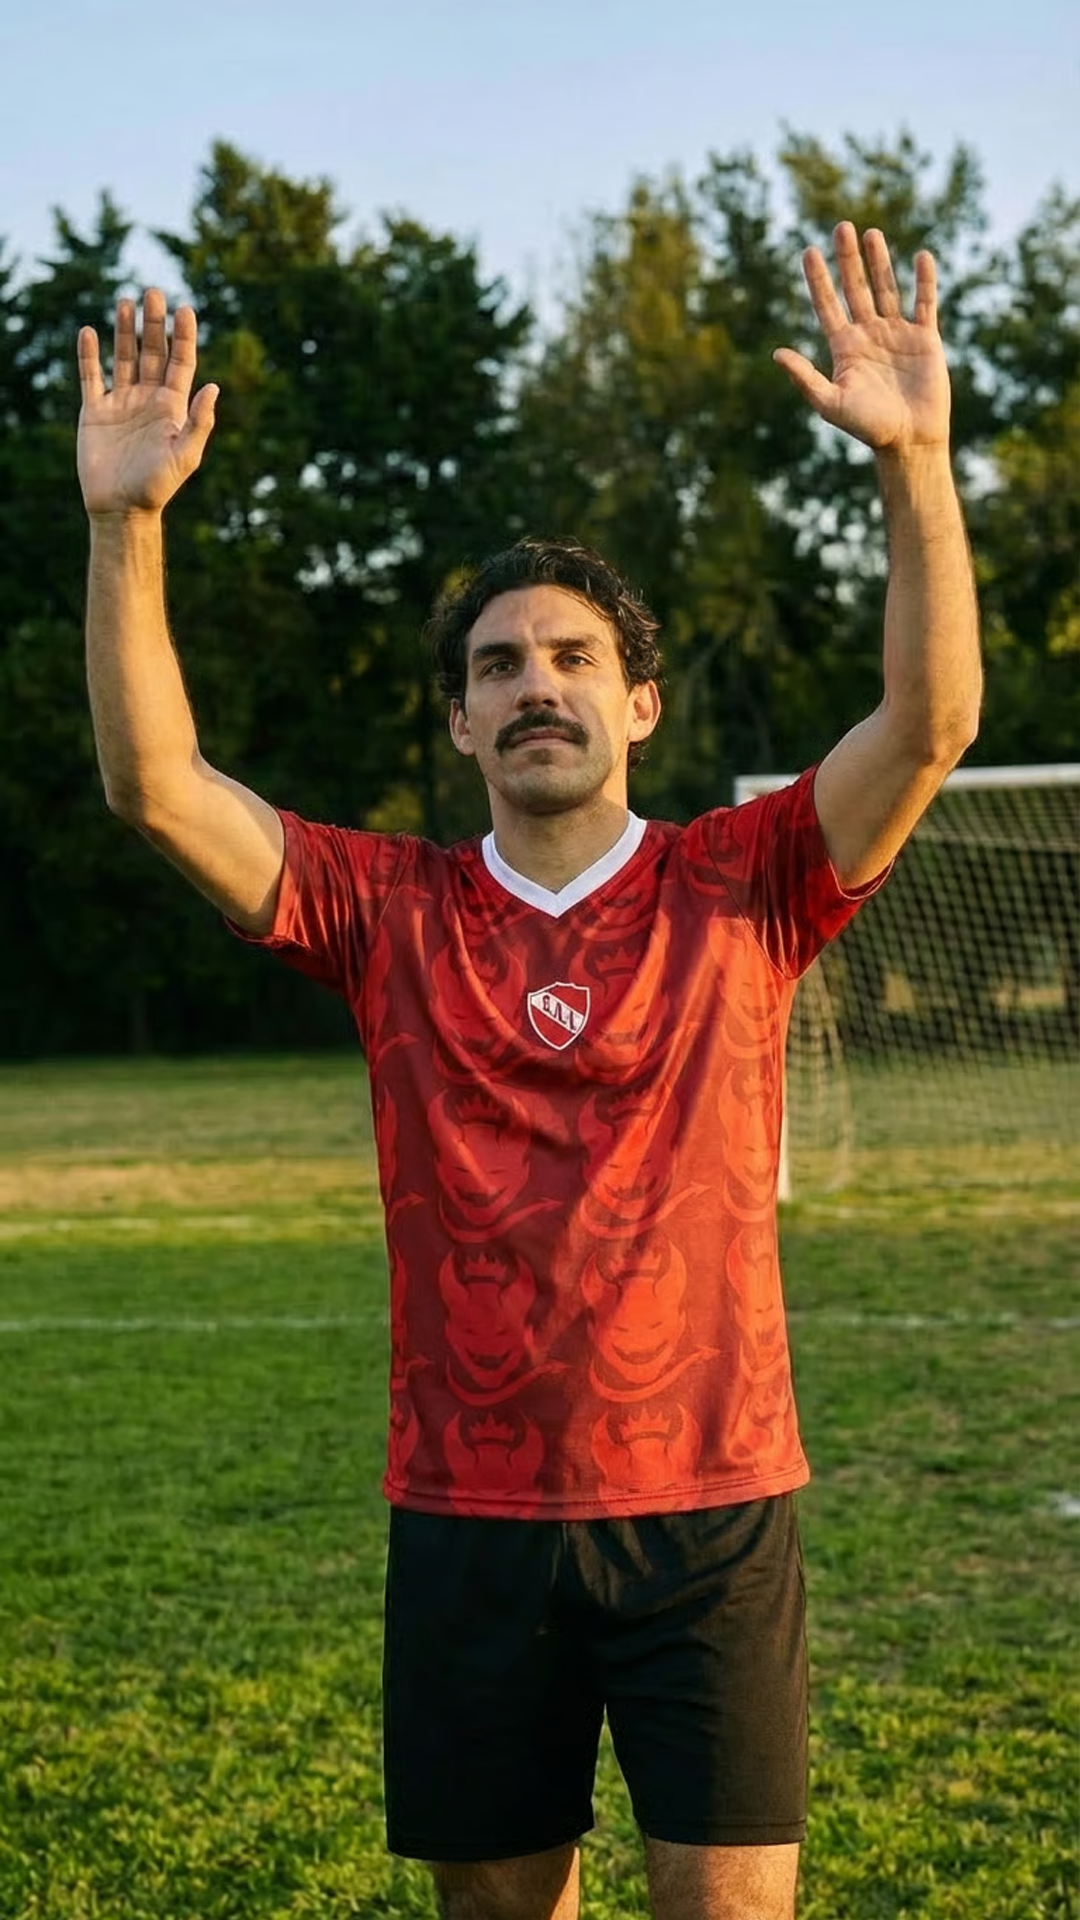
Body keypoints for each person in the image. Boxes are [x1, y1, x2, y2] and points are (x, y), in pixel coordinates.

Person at [77, 223, 981, 1920]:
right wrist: (127, 527)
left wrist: (920, 465)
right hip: (470, 1518)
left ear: (638, 703)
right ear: (461, 726)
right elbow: (157, 785)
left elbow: (927, 724)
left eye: (572, 660)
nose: (535, 686)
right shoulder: (384, 909)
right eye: (499, 666)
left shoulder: (746, 881)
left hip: (712, 1511)